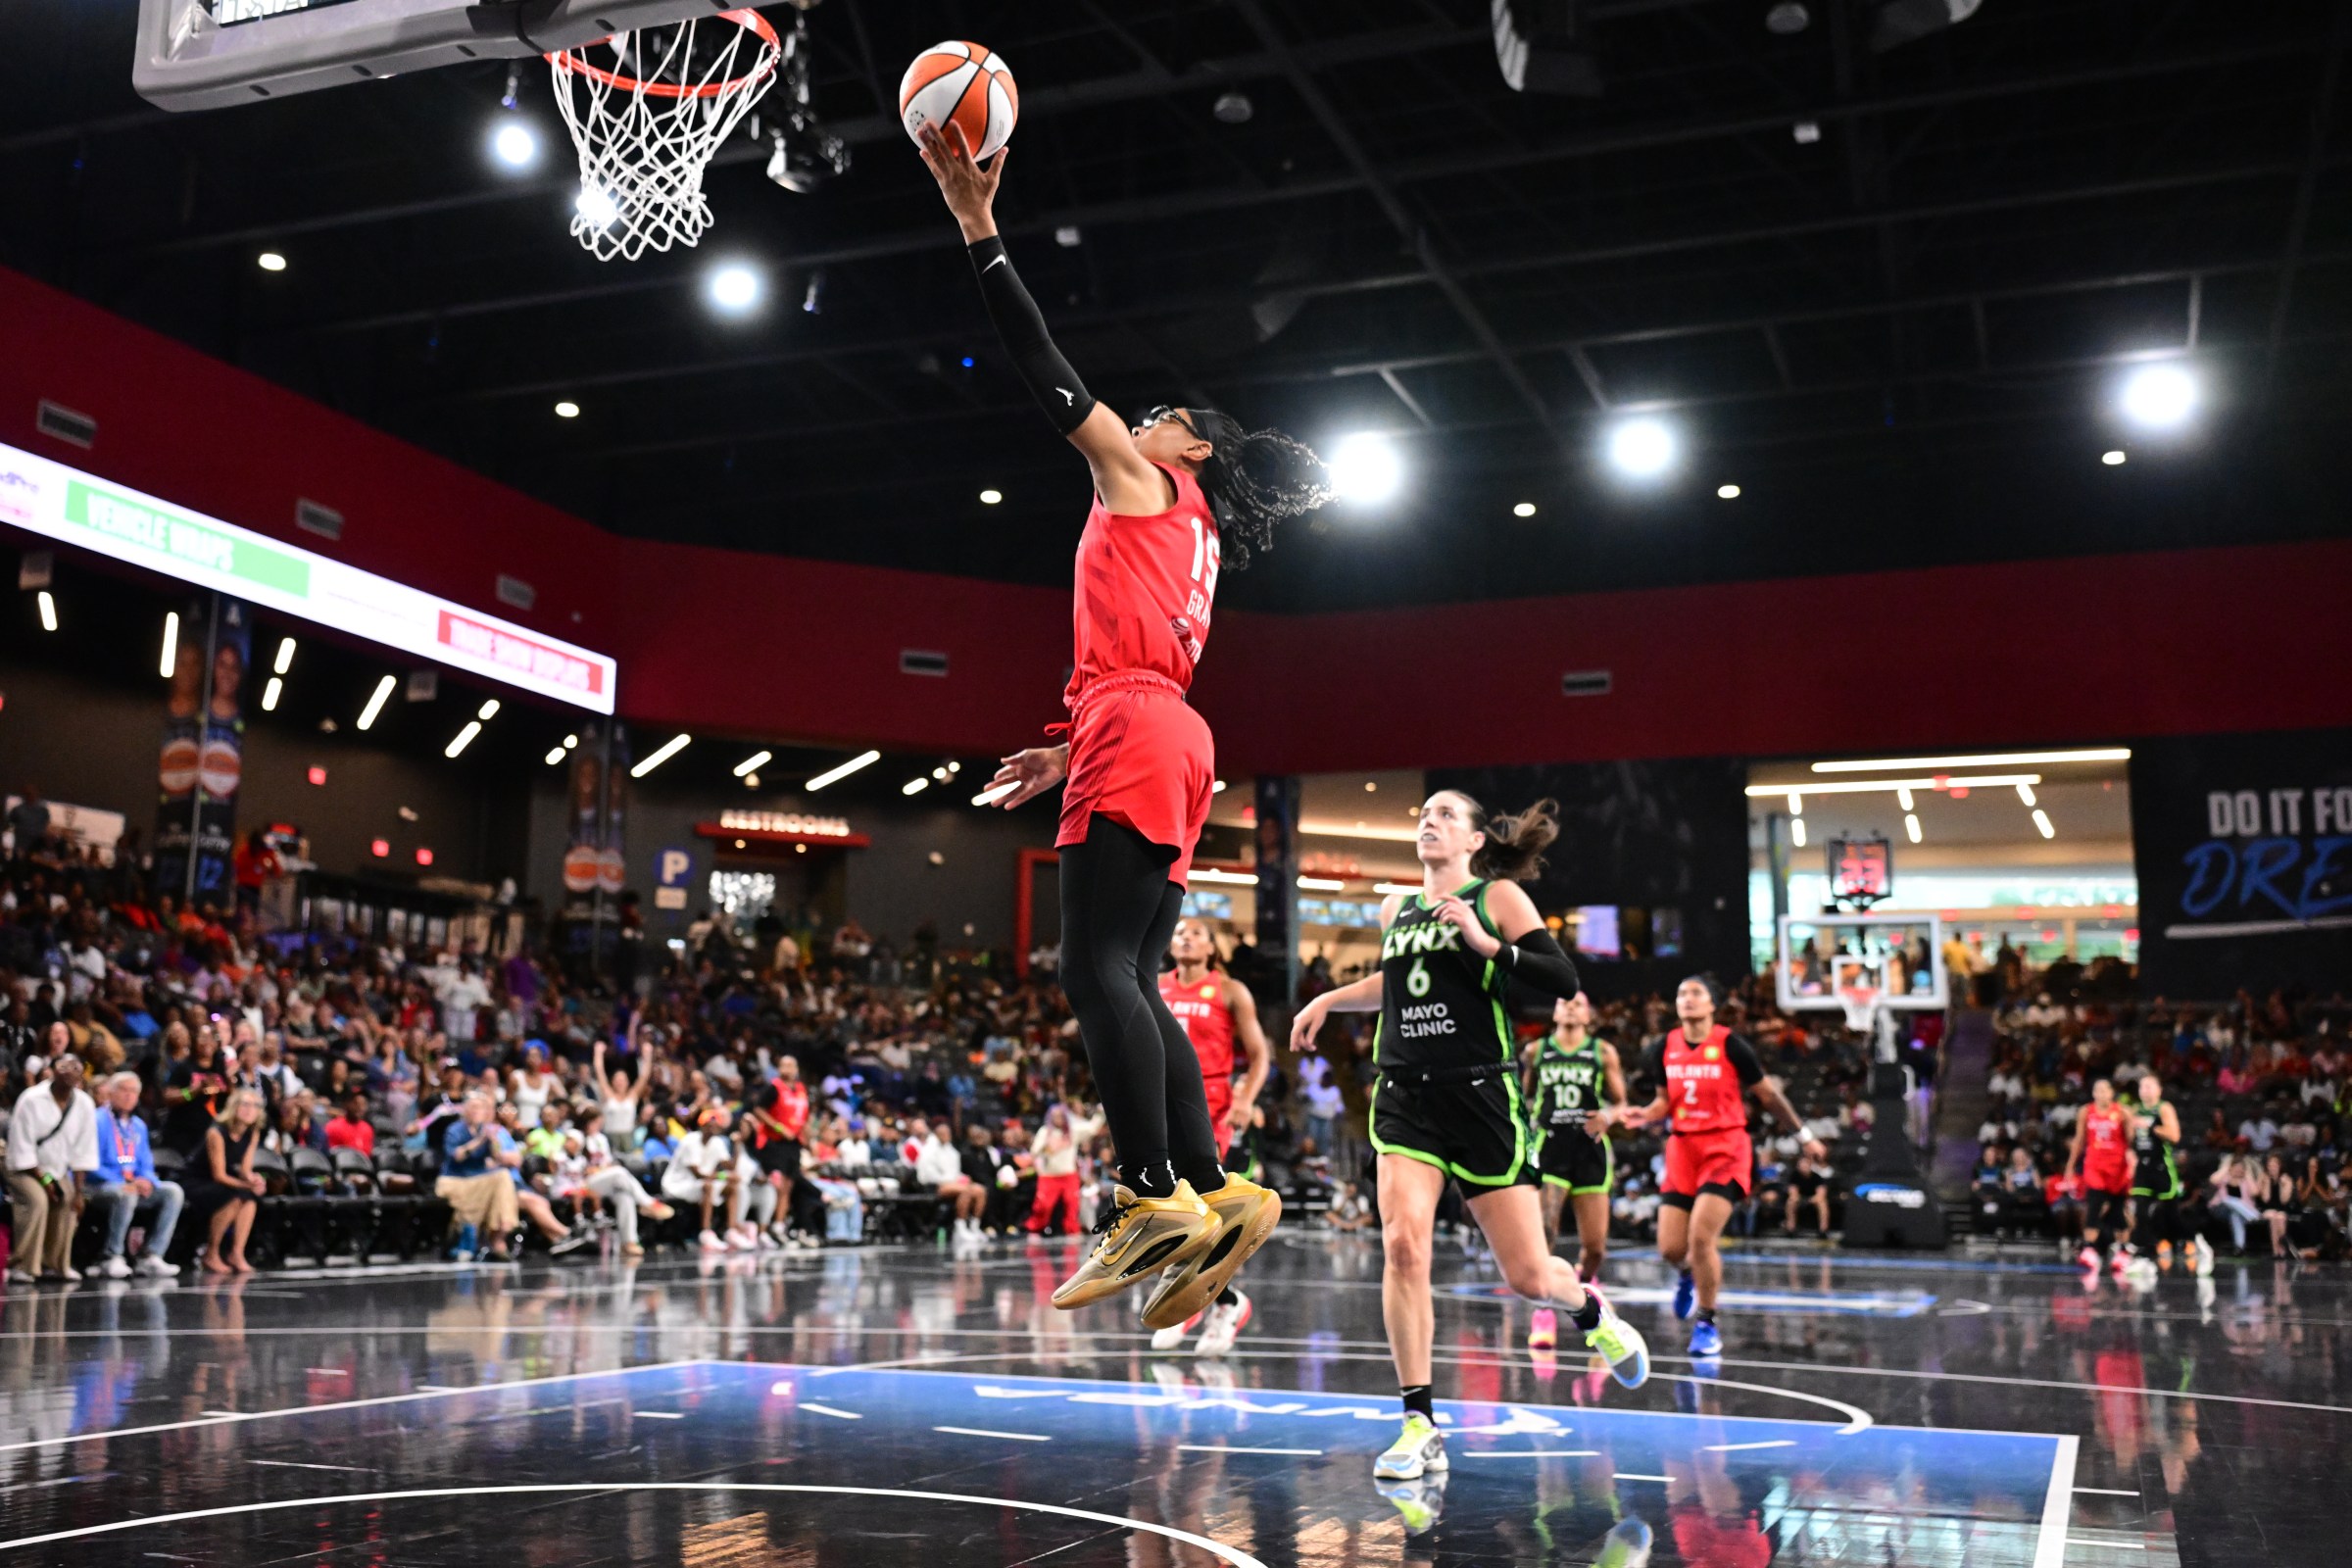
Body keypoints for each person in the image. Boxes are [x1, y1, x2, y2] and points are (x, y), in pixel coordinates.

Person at [920, 118, 1315, 1323]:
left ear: (1190, 445)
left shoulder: (1150, 481)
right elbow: (1138, 661)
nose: (1131, 419)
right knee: (1135, 966)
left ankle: (1149, 1193)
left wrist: (977, 224)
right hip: (1164, 729)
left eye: (1156, 413)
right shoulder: (1196, 539)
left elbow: (1045, 371)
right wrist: (1066, 741)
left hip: (1138, 726)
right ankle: (1214, 1184)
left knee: (1091, 966)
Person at [1290, 792, 1647, 1483]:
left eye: (1447, 814)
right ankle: (1419, 1422)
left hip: (1482, 1096)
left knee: (1529, 1277)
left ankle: (1590, 1310)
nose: (1430, 819)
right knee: (1401, 1245)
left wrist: (1491, 947)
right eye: (1423, 811)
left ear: (1476, 838)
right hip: (1405, 1099)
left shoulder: (1499, 897)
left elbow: (1563, 979)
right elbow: (1395, 985)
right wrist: (1330, 999)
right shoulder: (1395, 909)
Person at [1619, 975, 1826, 1358]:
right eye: (1681, 993)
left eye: (1696, 993)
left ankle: (1707, 1322)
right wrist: (1644, 1115)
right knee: (1669, 1248)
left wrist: (1804, 1136)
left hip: (1725, 1146)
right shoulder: (1665, 1045)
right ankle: (1685, 1274)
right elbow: (1665, 1102)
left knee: (1701, 1237)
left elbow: (1769, 1095)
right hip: (1682, 1148)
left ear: (1712, 1004)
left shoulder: (1731, 1044)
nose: (1687, 999)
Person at [1148, 915, 1273, 1354]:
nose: (1185, 937)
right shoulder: (1154, 983)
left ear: (1212, 948)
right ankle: (1222, 1301)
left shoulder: (1230, 990)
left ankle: (1204, 1302)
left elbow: (1260, 1055)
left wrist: (1244, 1100)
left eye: (1196, 933)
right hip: (1158, 1098)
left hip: (1210, 1101)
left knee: (1200, 1204)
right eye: (1179, 931)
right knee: (1168, 1206)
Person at [1521, 990, 1626, 1355]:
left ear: (1588, 1015)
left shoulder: (1603, 1052)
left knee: (1595, 1246)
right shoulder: (1536, 1050)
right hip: (1551, 1146)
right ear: (1554, 1011)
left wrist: (1609, 1116)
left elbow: (1621, 1102)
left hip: (1589, 1150)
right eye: (1563, 1001)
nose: (1569, 1006)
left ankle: (1581, 1286)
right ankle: (1544, 1311)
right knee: (1546, 1229)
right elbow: (1522, 1095)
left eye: (1578, 1002)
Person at [6, 1054, 97, 1282]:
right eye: (62, 1066)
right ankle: (23, 1266)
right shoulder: (31, 1099)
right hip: (21, 1166)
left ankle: (54, 1265)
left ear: (81, 1074)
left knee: (67, 1200)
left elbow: (83, 1152)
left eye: (75, 1066)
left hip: (55, 1168)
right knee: (37, 1200)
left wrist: (78, 1192)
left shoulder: (85, 1104)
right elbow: (21, 1147)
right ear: (53, 1071)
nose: (68, 1070)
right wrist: (45, 1182)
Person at [89, 1071, 183, 1279]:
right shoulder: (96, 1120)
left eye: (133, 1091)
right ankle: (111, 1256)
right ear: (110, 1093)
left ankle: (151, 1255)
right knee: (126, 1193)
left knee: (172, 1192)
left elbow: (146, 1164)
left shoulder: (138, 1125)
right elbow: (90, 1163)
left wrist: (147, 1180)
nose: (129, 1095)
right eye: (123, 1090)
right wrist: (127, 1181)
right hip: (100, 1185)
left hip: (132, 1183)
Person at [2124, 1073, 2203, 1277]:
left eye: (2149, 1086)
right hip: (2143, 1166)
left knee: (2171, 1216)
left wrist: (2150, 1125)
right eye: (2142, 1086)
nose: (2145, 1090)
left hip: (2162, 1167)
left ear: (2159, 1090)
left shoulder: (2164, 1108)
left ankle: (2194, 1239)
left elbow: (2175, 1135)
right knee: (2140, 1212)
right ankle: (2144, 1251)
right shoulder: (2136, 1110)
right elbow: (2132, 1139)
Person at [187, 1087, 268, 1274]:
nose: (250, 1109)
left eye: (255, 1106)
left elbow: (245, 1170)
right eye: (245, 1104)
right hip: (197, 1181)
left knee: (249, 1197)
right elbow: (219, 1175)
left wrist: (254, 1180)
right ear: (234, 1106)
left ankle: (237, 1253)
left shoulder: (252, 1133)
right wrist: (247, 1185)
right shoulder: (217, 1132)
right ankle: (211, 1253)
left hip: (223, 1182)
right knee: (234, 1195)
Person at [662, 1106, 760, 1252]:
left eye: (715, 1125)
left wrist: (738, 1144)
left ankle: (731, 1230)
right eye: (709, 1124)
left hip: (700, 1184)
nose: (712, 1127)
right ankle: (706, 1233)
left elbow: (730, 1167)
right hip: (677, 1185)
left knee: (732, 1187)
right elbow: (698, 1174)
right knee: (708, 1186)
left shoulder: (717, 1142)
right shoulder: (690, 1141)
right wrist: (723, 1176)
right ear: (701, 1125)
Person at [437, 1092, 520, 1261]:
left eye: (481, 1108)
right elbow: (457, 1156)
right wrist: (480, 1140)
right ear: (465, 1110)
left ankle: (500, 1233)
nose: (477, 1111)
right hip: (455, 1179)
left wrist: (495, 1142)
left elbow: (497, 1159)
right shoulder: (455, 1130)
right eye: (473, 1107)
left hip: (479, 1178)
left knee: (503, 1176)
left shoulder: (485, 1130)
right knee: (498, 1182)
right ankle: (491, 1240)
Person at [2066, 1077, 2135, 1274]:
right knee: (2094, 1205)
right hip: (2095, 1166)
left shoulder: (2122, 1112)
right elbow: (2079, 1140)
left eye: (2105, 1090)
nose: (2101, 1093)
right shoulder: (2086, 1112)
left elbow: (2131, 1141)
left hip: (2118, 1168)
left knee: (2117, 1210)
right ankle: (2089, 1248)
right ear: (2093, 1093)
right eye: (2097, 1090)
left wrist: (2132, 1163)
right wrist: (2070, 1165)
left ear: (2112, 1093)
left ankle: (2123, 1251)